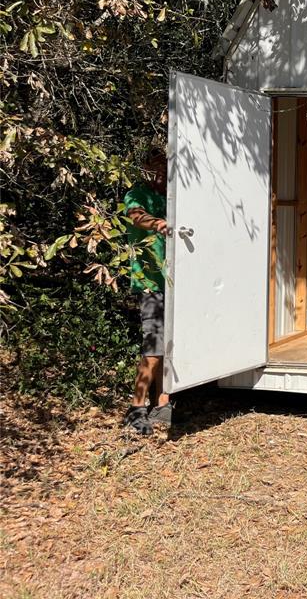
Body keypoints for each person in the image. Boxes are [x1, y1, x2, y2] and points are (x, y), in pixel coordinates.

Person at [123, 147, 171, 435]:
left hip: (175, 282)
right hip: (150, 282)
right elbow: (136, 216)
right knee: (154, 344)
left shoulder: (173, 194)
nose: (160, 173)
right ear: (145, 169)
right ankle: (136, 407)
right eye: (155, 167)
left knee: (171, 346)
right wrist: (158, 224)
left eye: (164, 167)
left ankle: (163, 402)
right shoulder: (138, 194)